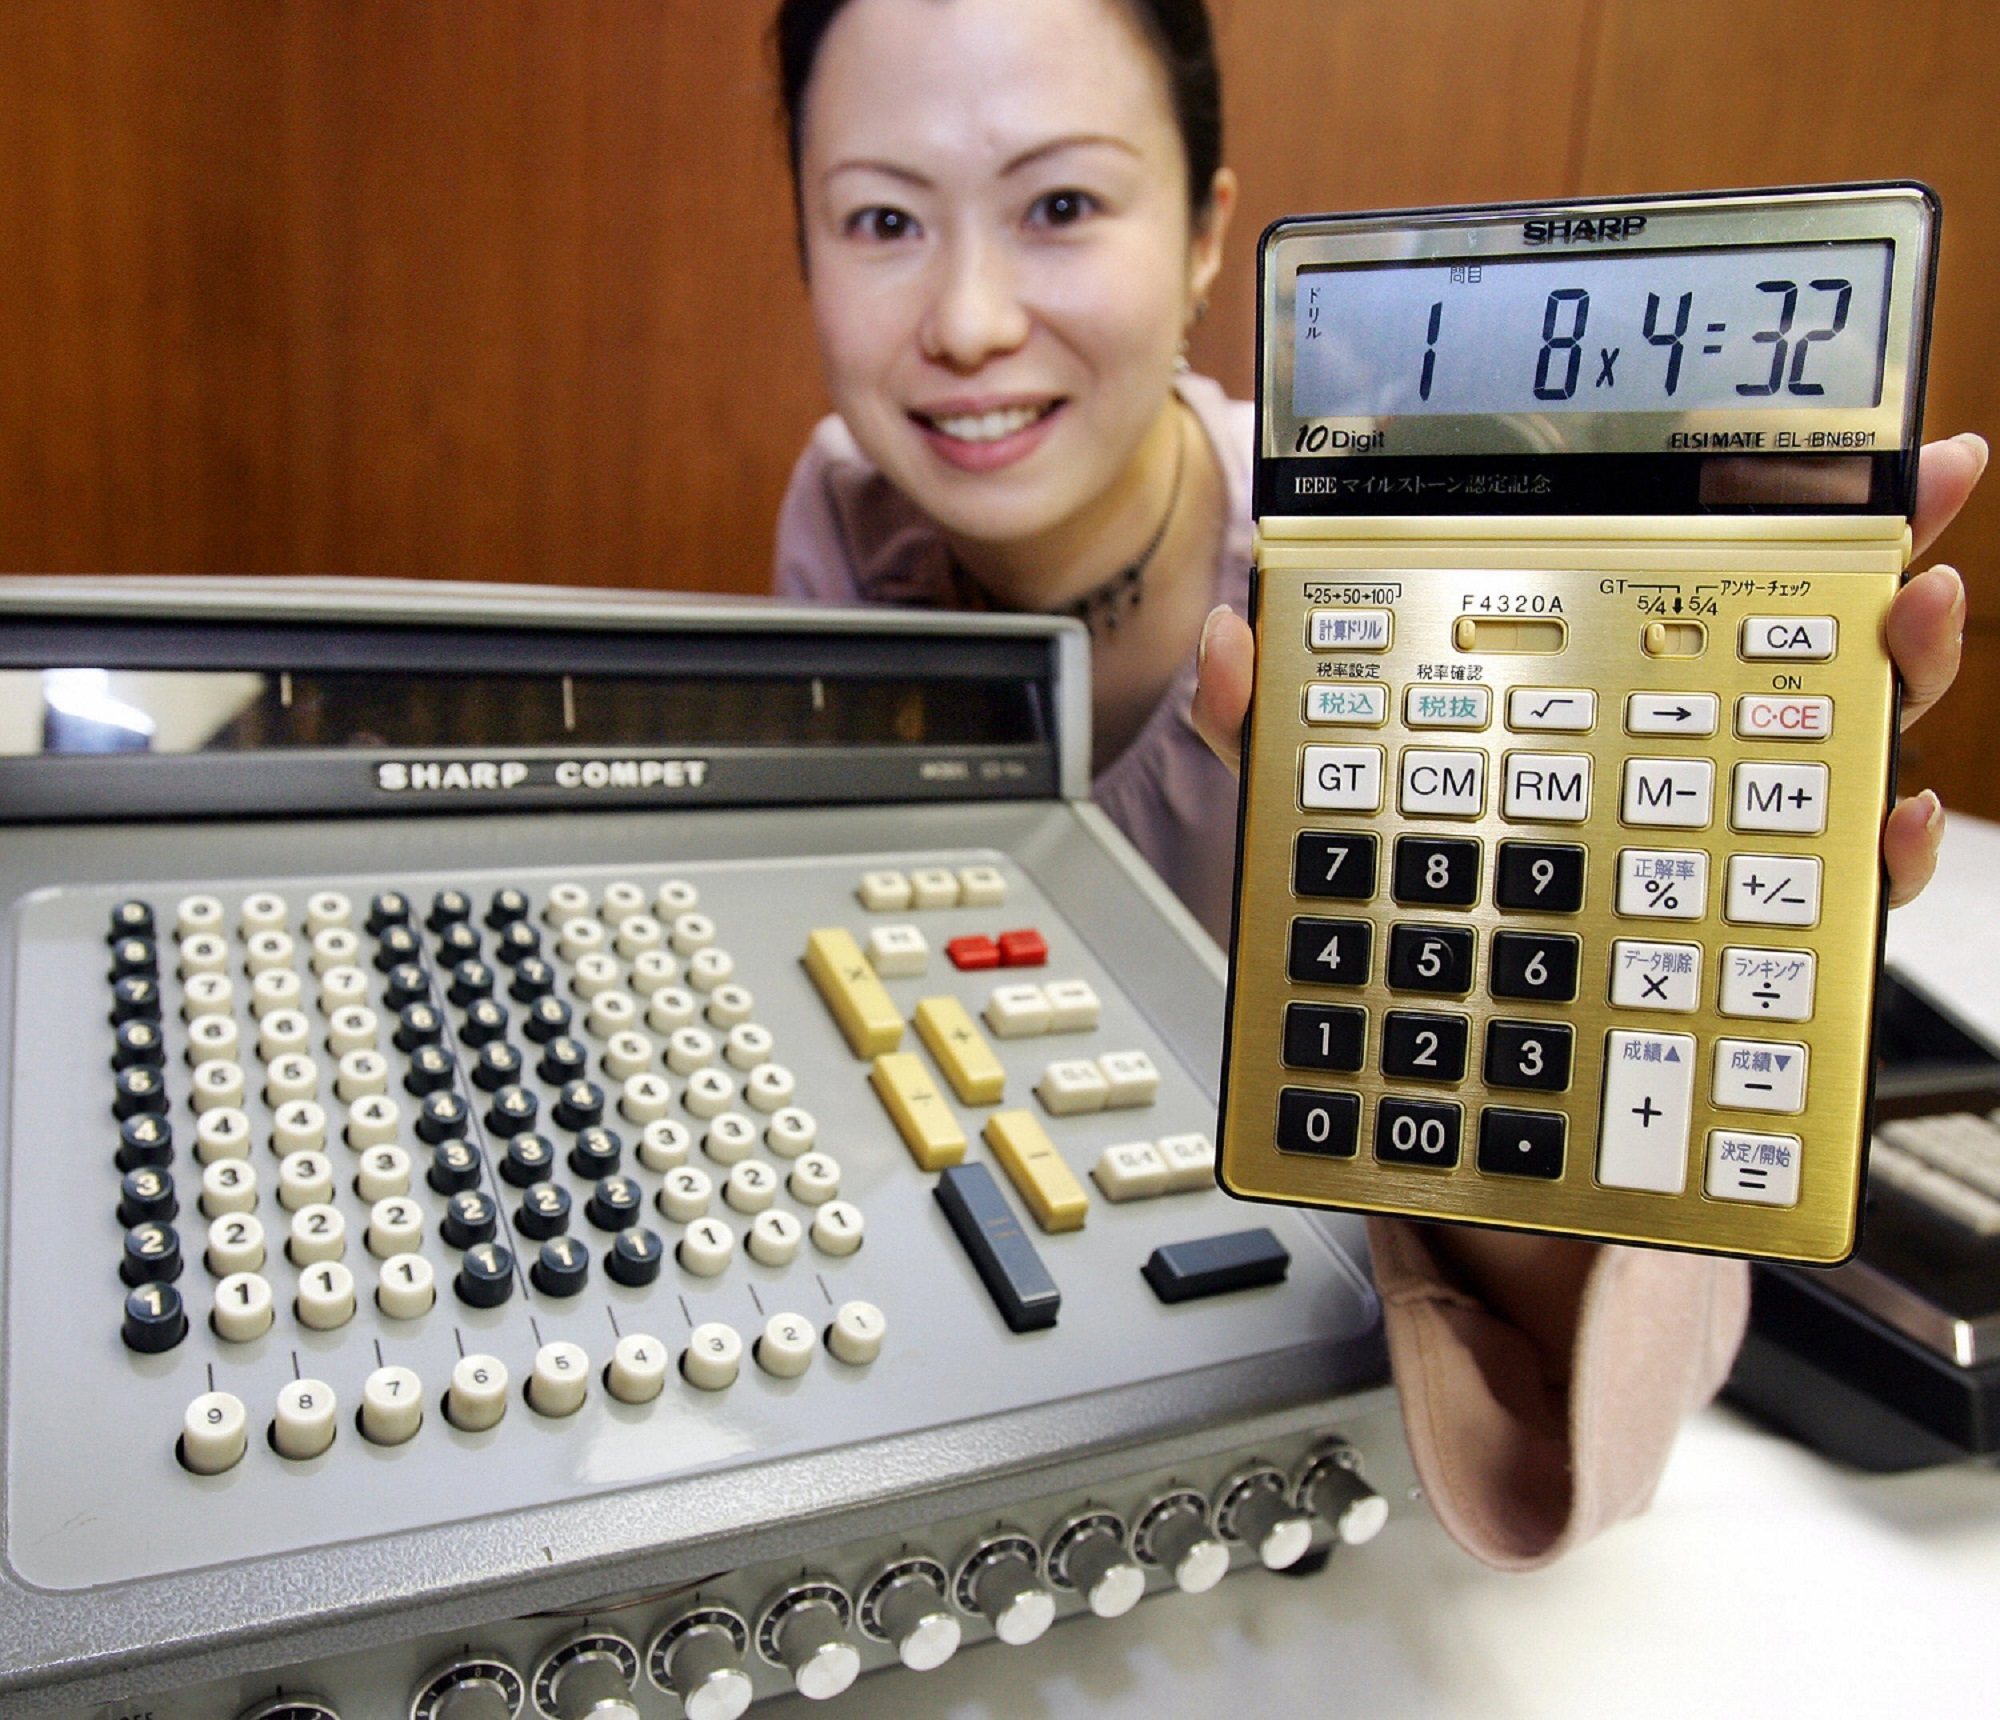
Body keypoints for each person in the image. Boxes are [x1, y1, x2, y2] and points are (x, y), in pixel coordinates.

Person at [769, 0, 1986, 1568]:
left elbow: (1632, 1342)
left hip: (1351, 1508)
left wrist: (1618, 928)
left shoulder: (1430, 604)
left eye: (1061, 204)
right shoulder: (842, 529)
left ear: (1212, 236)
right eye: (880, 218)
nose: (971, 318)